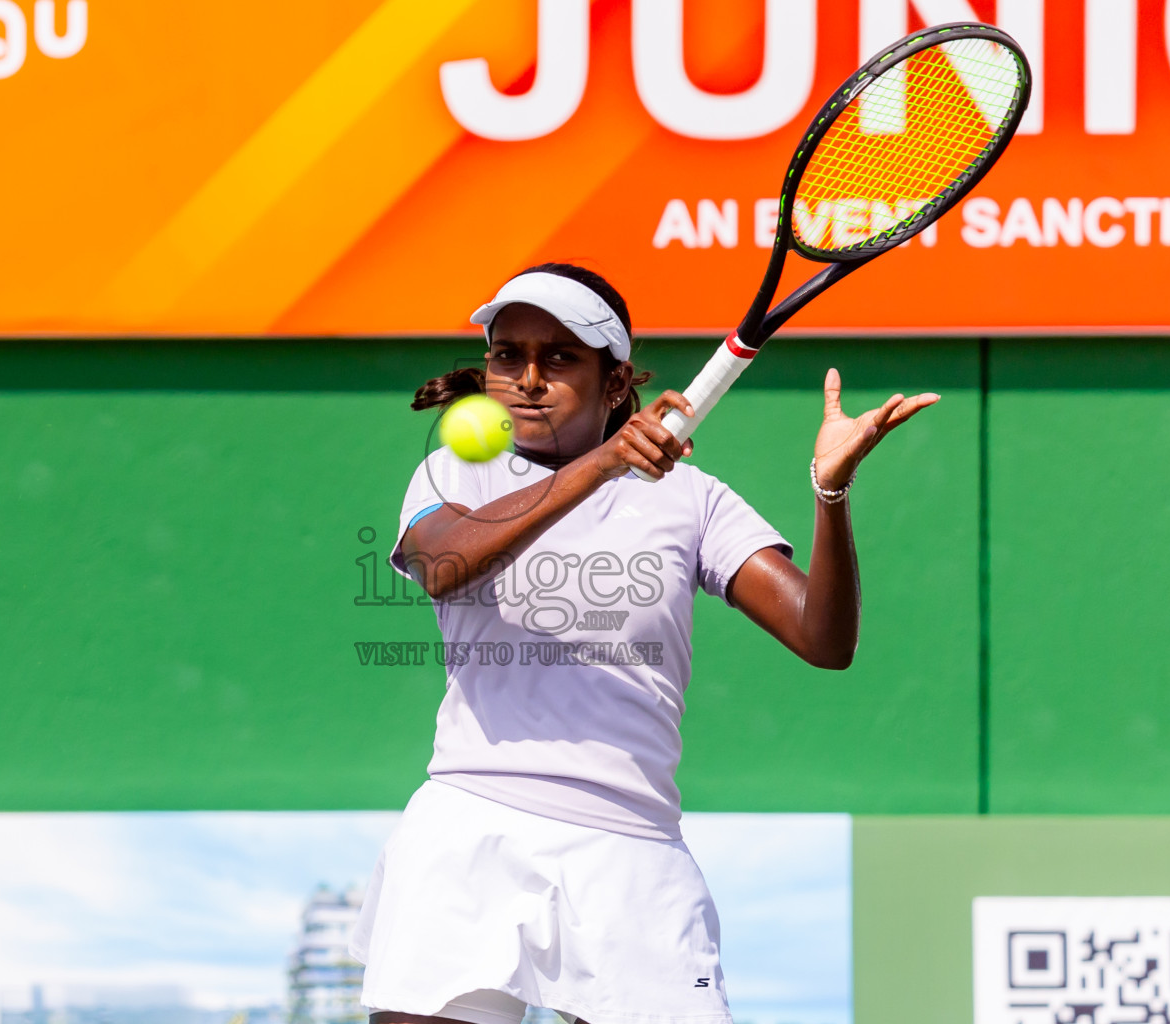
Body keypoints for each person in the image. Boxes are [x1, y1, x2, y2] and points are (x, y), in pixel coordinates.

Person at [350, 263, 937, 1024]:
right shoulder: (455, 471)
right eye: (507, 355)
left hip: (631, 851)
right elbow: (445, 566)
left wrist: (831, 492)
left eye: (559, 357)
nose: (528, 379)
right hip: (472, 825)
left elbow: (823, 639)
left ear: (614, 377)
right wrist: (605, 462)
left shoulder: (693, 499)